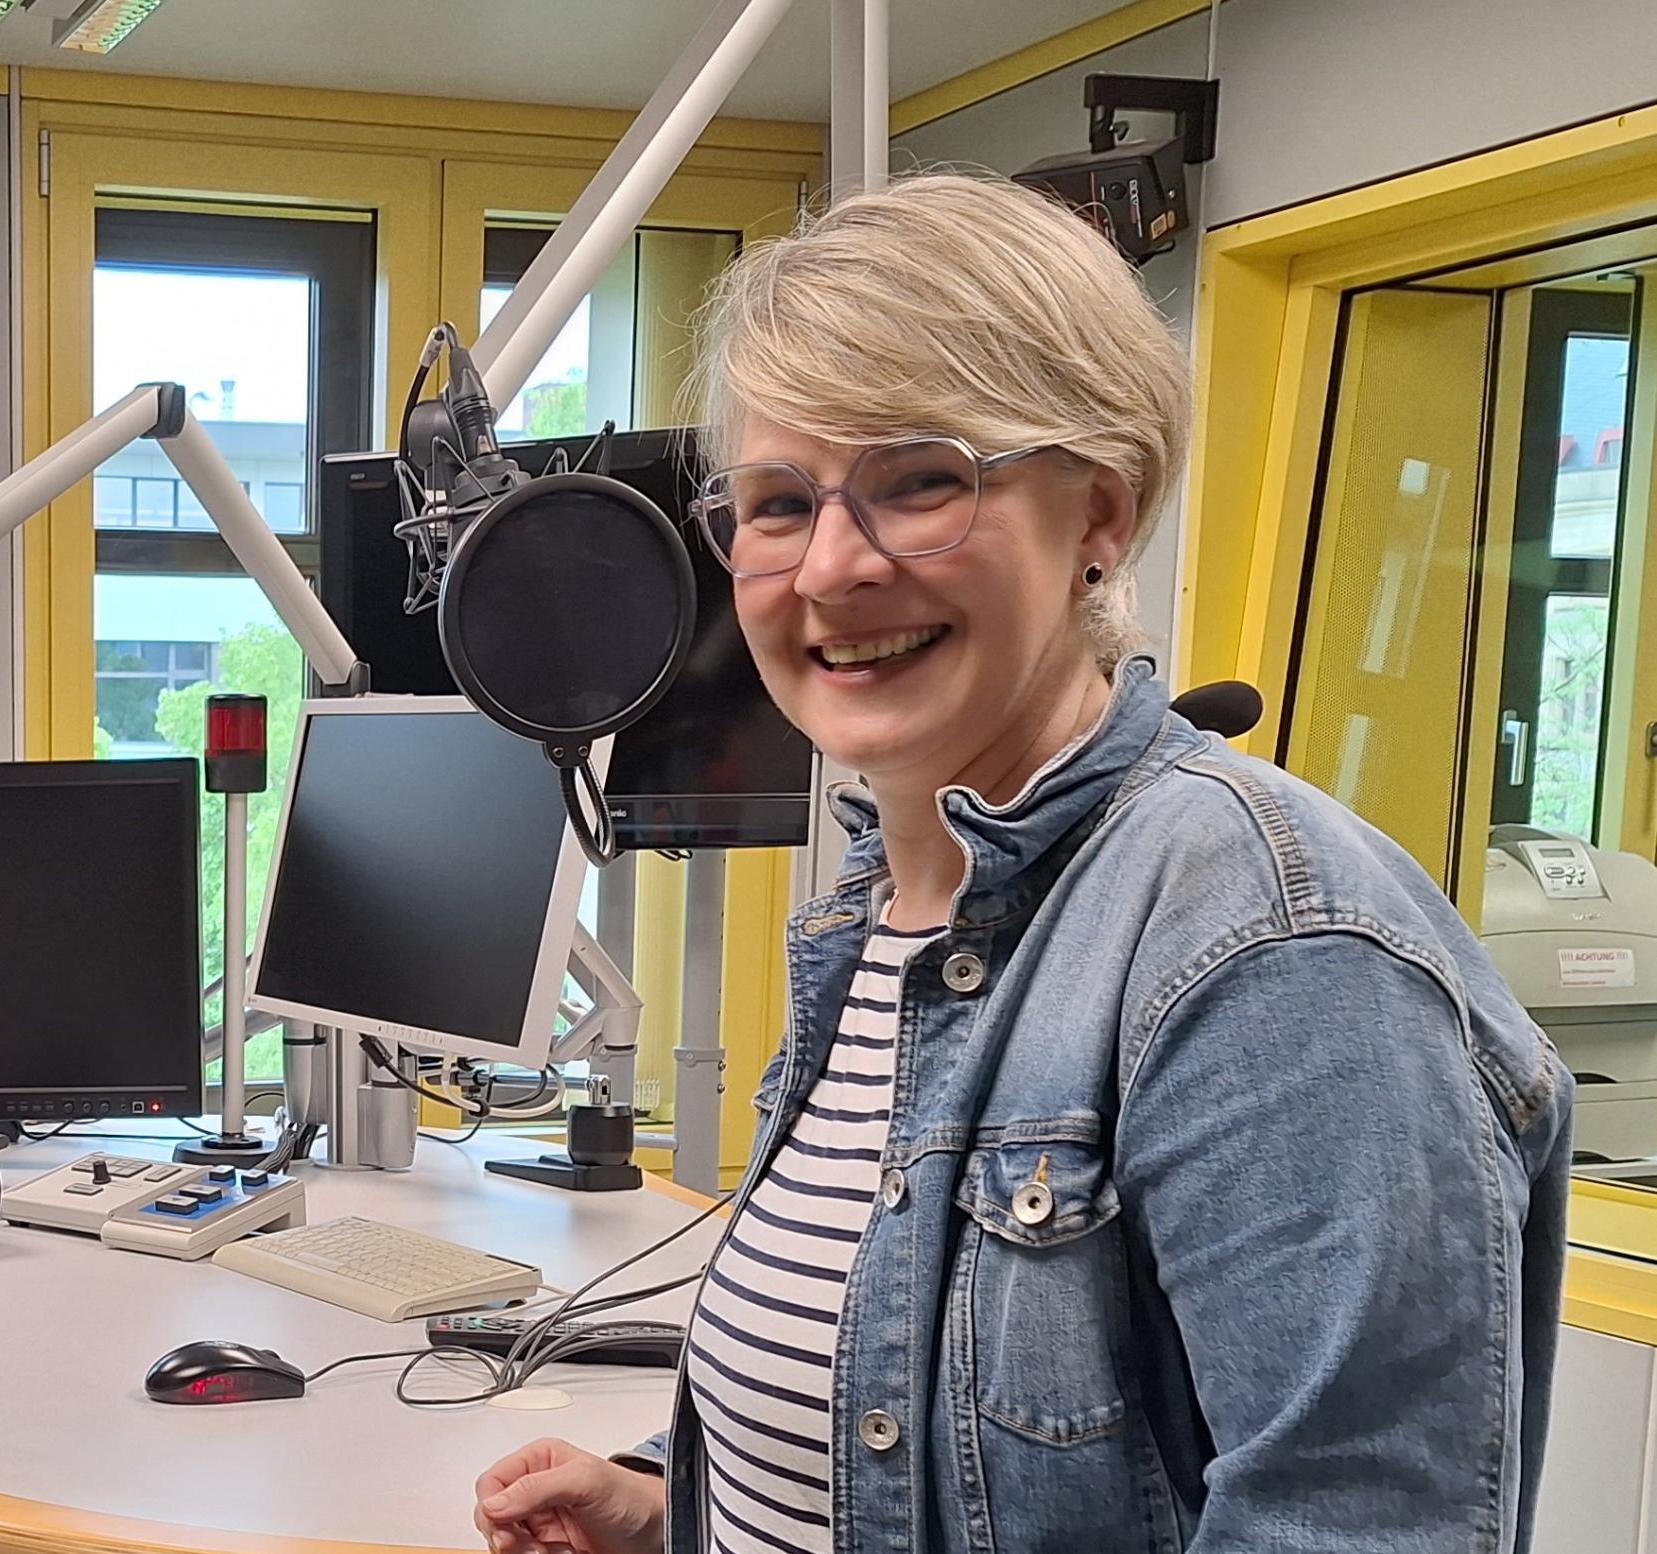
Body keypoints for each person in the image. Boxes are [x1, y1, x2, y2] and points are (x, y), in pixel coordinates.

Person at [472, 173, 1572, 1554]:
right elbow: (888, 1406)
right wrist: (665, 1505)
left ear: (1097, 516)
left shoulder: (1274, 952)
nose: (830, 567)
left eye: (917, 481)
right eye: (773, 502)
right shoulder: (875, 920)